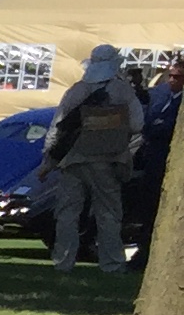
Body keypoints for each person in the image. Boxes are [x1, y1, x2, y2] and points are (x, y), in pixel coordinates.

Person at [47, 43, 145, 272]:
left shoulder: (76, 91)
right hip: (108, 160)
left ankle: (63, 262)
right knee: (109, 214)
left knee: (68, 214)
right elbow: (138, 124)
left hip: (74, 160)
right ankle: (111, 263)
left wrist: (48, 158)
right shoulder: (123, 92)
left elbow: (58, 126)